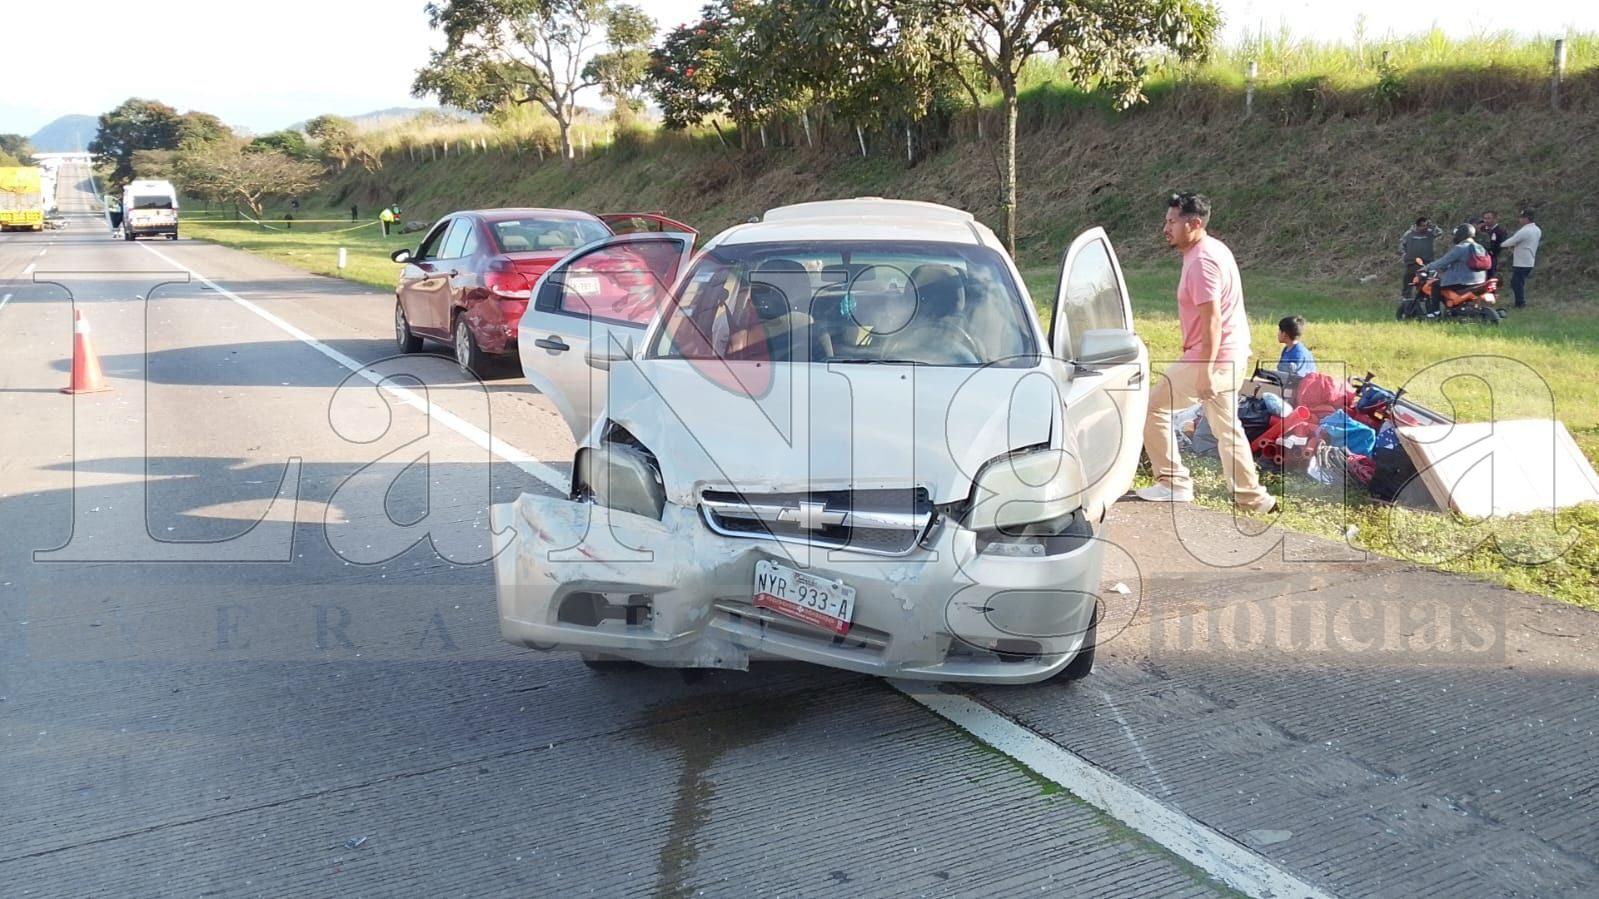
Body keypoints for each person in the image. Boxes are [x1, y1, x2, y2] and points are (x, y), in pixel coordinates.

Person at [1138, 192, 1276, 514]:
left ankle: (1173, 483)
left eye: (1172, 222)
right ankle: (1254, 498)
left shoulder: (1202, 261)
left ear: (1194, 223)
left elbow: (1212, 320)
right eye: (1166, 221)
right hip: (1230, 353)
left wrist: (1205, 371)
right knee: (1227, 428)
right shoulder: (1212, 249)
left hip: (1212, 357)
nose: (1165, 228)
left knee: (1152, 408)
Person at [1421, 223, 1488, 316]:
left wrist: (1426, 267)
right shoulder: (1480, 247)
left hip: (1462, 282)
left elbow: (1443, 261)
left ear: (1461, 234)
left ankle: (1435, 312)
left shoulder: (1460, 248)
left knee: (1435, 285)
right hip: (1480, 281)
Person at [1499, 208, 1542, 309]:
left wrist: (1501, 244)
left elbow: (1512, 240)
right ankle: (1519, 302)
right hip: (1529, 260)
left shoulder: (1525, 230)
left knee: (1516, 283)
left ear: (1526, 219)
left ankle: (1520, 303)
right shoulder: (1537, 230)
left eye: (1521, 217)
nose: (1520, 219)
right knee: (1518, 282)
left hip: (1521, 261)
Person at [1399, 216, 1442, 299]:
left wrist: (1432, 226)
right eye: (1422, 226)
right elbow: (1402, 244)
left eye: (1426, 225)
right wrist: (1404, 255)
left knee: (1428, 281)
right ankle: (1406, 298)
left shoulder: (1430, 232)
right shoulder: (1409, 233)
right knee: (1408, 279)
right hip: (1412, 262)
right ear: (1417, 226)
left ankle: (1424, 298)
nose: (1424, 228)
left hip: (1427, 263)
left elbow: (1440, 232)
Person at [1475, 210, 1508, 278]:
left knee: (1490, 277)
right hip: (1480, 257)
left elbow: (1502, 245)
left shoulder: (1500, 231)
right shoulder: (1482, 229)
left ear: (1495, 219)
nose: (1486, 220)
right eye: (1485, 218)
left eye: (1488, 218)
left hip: (1493, 258)